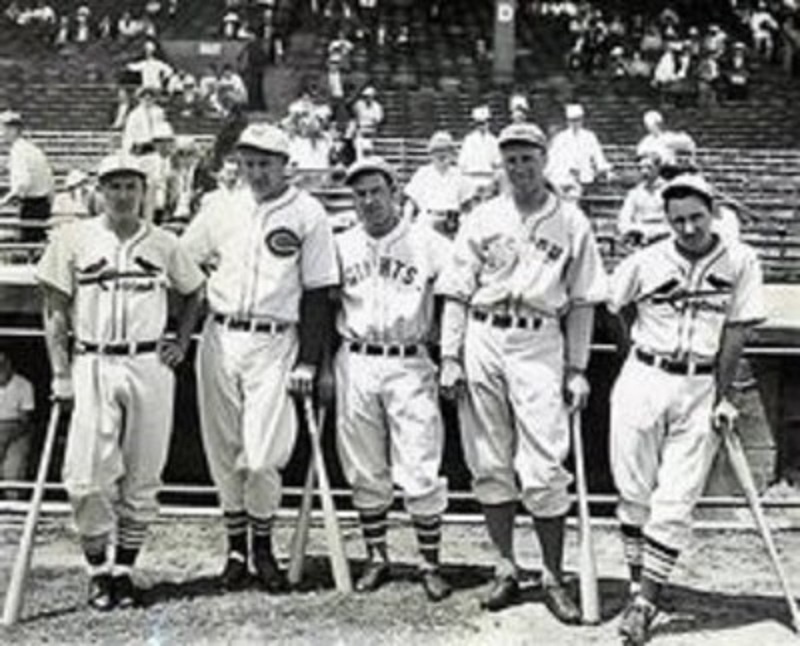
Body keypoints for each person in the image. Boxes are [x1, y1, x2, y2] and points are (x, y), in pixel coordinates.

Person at [438, 122, 607, 621]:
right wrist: (450, 355)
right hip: (483, 333)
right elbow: (456, 289)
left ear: (544, 159)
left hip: (539, 338)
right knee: (489, 459)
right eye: (510, 159)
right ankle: (506, 568)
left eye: (528, 158)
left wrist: (577, 367)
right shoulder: (484, 215)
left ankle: (553, 575)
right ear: (501, 164)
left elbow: (583, 300)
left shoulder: (571, 220)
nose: (519, 167)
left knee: (544, 463)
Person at [36, 153, 205, 611]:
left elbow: (194, 292)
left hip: (149, 361)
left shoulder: (166, 243)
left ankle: (125, 571)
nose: (123, 195)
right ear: (99, 190)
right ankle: (96, 571)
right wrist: (59, 372)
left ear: (143, 191)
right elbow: (53, 310)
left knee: (143, 473)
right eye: (114, 186)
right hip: (92, 360)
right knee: (85, 479)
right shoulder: (72, 239)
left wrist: (182, 342)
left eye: (132, 186)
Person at [180, 123, 339, 592]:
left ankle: (264, 546)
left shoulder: (308, 212)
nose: (256, 171)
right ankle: (235, 550)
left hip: (275, 340)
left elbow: (317, 291)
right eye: (248, 162)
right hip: (222, 333)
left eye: (266, 163)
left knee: (264, 453)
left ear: (285, 164)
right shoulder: (221, 207)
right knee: (224, 448)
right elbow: (183, 263)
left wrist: (309, 360)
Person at [608, 173, 765, 646]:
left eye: (697, 217)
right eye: (678, 220)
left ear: (713, 212)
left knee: (675, 499)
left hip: (699, 383)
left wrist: (725, 394)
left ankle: (644, 603)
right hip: (643, 375)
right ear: (667, 220)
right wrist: (632, 361)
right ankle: (641, 587)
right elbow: (614, 307)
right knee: (633, 489)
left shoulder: (741, 259)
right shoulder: (647, 258)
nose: (689, 228)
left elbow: (736, 332)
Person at [330, 156, 452, 601]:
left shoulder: (428, 242)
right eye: (359, 194)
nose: (368, 201)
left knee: (420, 460)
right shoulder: (341, 243)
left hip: (409, 356)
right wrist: (325, 366)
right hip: (356, 356)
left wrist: (450, 354)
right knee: (364, 464)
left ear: (395, 191)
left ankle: (429, 562)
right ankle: (377, 556)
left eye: (375, 191)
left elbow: (455, 296)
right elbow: (325, 306)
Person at [403, 131, 470, 238]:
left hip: (451, 224)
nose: (441, 155)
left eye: (445, 150)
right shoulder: (423, 173)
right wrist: (406, 224)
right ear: (431, 154)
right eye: (437, 151)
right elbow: (410, 203)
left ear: (451, 153)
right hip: (427, 222)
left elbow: (467, 207)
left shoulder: (459, 175)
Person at [0, 110, 55, 242]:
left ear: (13, 130)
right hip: (42, 203)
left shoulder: (19, 151)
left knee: (29, 244)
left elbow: (22, 184)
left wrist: (3, 202)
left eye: (2, 128)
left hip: (33, 205)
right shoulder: (29, 148)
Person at [546, 103, 612, 191]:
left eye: (577, 120)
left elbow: (598, 156)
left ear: (582, 120)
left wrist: (604, 170)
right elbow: (552, 158)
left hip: (584, 176)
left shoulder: (589, 136)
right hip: (564, 177)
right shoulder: (561, 138)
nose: (574, 123)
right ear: (567, 121)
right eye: (572, 120)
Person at [0, 351, 34, 499]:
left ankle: (13, 508)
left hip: (17, 433)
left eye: (2, 365)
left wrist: (6, 434)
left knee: (13, 472)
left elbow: (25, 418)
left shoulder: (24, 385)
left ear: (9, 365)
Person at [617, 153, 668, 247]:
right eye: (641, 168)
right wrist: (630, 231)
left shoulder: (669, 190)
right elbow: (624, 218)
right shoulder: (634, 193)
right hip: (639, 234)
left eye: (649, 167)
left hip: (663, 233)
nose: (644, 172)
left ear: (658, 168)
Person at [457, 106, 502, 202]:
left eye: (485, 123)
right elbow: (462, 163)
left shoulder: (494, 141)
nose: (482, 126)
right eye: (479, 123)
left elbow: (497, 162)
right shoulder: (468, 140)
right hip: (472, 178)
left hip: (488, 179)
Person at [122, 86, 169, 155]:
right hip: (140, 147)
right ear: (140, 99)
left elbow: (164, 129)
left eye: (150, 98)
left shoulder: (159, 112)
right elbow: (129, 133)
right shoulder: (134, 114)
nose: (147, 100)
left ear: (154, 99)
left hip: (156, 147)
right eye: (144, 98)